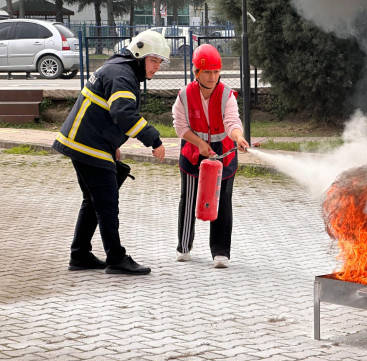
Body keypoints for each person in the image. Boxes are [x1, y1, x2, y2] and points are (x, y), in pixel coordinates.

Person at [52, 30, 170, 275]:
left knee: (93, 200)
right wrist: (154, 140)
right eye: (154, 60)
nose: (157, 67)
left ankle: (80, 255)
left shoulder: (120, 69)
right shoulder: (122, 74)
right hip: (89, 145)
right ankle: (116, 258)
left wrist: (114, 143)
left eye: (160, 62)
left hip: (85, 141)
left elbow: (106, 111)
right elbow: (123, 114)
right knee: (106, 203)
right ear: (139, 54)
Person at [172, 44, 249, 268]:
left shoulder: (227, 95)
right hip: (193, 149)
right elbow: (180, 127)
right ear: (197, 72)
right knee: (188, 199)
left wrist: (238, 137)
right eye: (207, 72)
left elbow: (232, 121)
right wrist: (200, 144)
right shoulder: (184, 96)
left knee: (223, 200)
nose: (212, 76)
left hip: (223, 151)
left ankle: (221, 252)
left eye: (216, 71)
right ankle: (184, 246)